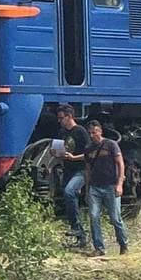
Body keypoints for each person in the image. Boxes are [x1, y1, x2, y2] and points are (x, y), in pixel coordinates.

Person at [84, 120, 128, 256]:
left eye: (94, 132)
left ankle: (123, 244)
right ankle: (99, 248)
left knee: (115, 218)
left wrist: (119, 184)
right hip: (95, 187)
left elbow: (120, 164)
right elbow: (88, 169)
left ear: (100, 131)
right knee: (93, 216)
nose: (92, 135)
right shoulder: (88, 149)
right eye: (90, 133)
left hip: (111, 185)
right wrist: (87, 189)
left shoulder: (111, 144)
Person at [56, 104, 90, 249]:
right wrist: (57, 153)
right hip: (68, 169)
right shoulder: (62, 132)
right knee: (68, 197)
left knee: (69, 192)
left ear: (69, 116)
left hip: (81, 170)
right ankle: (80, 237)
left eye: (61, 118)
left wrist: (74, 157)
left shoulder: (80, 131)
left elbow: (90, 154)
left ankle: (76, 228)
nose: (59, 121)